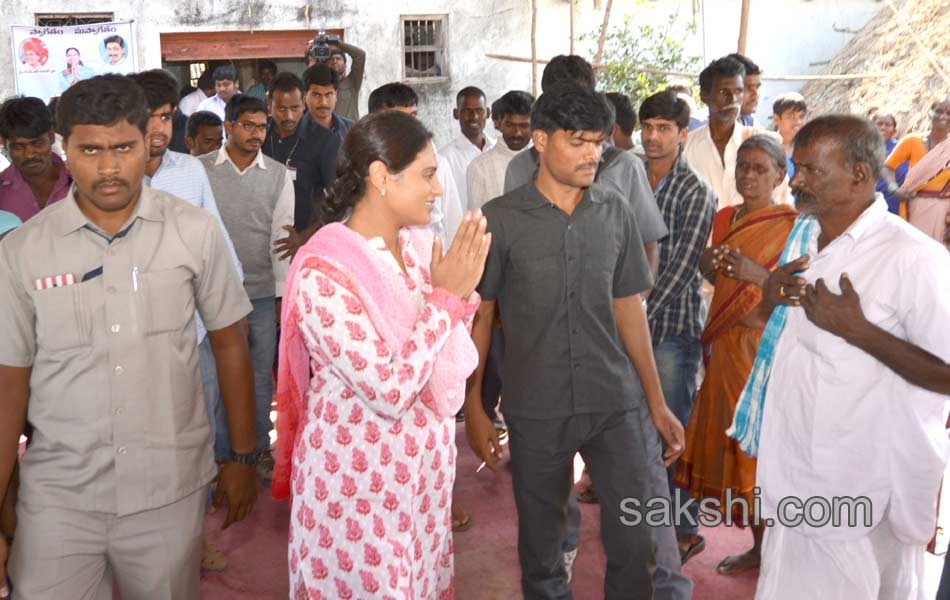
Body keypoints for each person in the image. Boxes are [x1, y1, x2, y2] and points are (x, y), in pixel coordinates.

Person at [0, 74, 258, 600]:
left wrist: (243, 456)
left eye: (123, 147)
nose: (110, 167)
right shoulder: (22, 252)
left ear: (148, 142)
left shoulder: (194, 232)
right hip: (59, 498)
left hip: (169, 491)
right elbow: (9, 385)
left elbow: (232, 341)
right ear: (64, 149)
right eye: (90, 149)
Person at [466, 83, 690, 600]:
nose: (592, 154)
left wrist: (656, 404)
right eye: (578, 141)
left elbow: (628, 306)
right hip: (536, 406)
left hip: (614, 399)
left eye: (597, 142)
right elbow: (482, 315)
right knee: (543, 550)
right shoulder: (499, 220)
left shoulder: (615, 210)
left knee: (638, 539)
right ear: (540, 141)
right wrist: (475, 404)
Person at [272, 108, 487, 599]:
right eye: (427, 175)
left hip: (423, 483)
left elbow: (447, 357)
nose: (438, 189)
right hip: (357, 488)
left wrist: (455, 300)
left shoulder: (416, 249)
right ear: (380, 177)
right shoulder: (324, 271)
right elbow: (390, 390)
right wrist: (446, 301)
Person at [735, 115, 950, 599]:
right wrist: (769, 294)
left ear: (859, 174)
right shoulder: (807, 240)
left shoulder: (913, 259)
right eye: (796, 167)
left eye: (812, 171)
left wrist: (861, 332)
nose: (795, 181)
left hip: (862, 492)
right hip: (798, 476)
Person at [129, 68, 244, 572]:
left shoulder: (190, 172)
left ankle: (191, 541)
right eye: (149, 117)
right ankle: (134, 545)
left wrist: (228, 320)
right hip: (129, 339)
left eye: (165, 116)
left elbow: (218, 246)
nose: (159, 127)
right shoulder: (109, 177)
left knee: (193, 442)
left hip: (193, 333)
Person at [673, 135, 797, 574]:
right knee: (734, 446)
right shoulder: (725, 216)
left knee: (759, 453)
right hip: (724, 345)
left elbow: (797, 291)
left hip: (763, 347)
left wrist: (756, 275)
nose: (748, 175)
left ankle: (773, 552)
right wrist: (709, 263)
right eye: (742, 166)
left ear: (781, 175)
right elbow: (711, 273)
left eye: (760, 168)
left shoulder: (794, 225)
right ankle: (759, 547)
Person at [637, 90, 717, 563]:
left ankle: (684, 530)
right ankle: (647, 524)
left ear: (683, 135)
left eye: (663, 127)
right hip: (630, 327)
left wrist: (628, 321)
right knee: (639, 435)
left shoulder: (695, 191)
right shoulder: (627, 175)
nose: (652, 136)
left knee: (672, 434)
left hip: (670, 330)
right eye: (647, 126)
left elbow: (682, 268)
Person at [198, 95, 295, 480]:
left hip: (259, 292)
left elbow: (282, 234)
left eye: (262, 127)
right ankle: (223, 454)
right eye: (248, 126)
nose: (257, 134)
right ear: (228, 127)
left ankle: (257, 449)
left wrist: (280, 292)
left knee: (258, 376)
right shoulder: (200, 170)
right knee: (216, 375)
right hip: (211, 293)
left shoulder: (277, 174)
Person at [504, 55, 669, 277]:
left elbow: (648, 243)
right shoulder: (520, 167)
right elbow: (511, 247)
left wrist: (637, 302)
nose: (572, 112)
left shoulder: (625, 167)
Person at [369, 82, 465, 248]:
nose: (409, 126)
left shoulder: (439, 164)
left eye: (412, 116)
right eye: (398, 118)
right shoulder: (365, 169)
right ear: (374, 121)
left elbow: (454, 222)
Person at [684, 56, 789, 208]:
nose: (732, 99)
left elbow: (782, 203)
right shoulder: (687, 146)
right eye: (723, 92)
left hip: (756, 231)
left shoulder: (762, 145)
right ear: (704, 96)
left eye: (738, 91)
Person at [265, 72, 340, 235]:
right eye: (282, 109)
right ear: (269, 105)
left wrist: (303, 237)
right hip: (262, 233)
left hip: (305, 237)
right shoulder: (261, 136)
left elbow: (338, 199)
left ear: (304, 103)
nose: (289, 116)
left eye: (295, 108)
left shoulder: (324, 141)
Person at [882, 96, 950, 245]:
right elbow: (887, 167)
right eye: (939, 111)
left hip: (944, 213)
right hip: (914, 207)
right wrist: (894, 189)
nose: (943, 116)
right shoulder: (912, 141)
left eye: (948, 113)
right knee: (913, 256)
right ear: (929, 113)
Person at [0, 97, 72, 222]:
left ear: (51, 136)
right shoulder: (2, 192)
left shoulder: (80, 184)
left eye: (37, 143)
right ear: (4, 144)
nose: (29, 155)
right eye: (18, 147)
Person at [467, 90, 533, 211]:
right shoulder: (480, 167)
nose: (517, 133)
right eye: (510, 125)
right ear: (498, 123)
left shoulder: (545, 162)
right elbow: (476, 218)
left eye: (524, 126)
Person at [439, 87, 496, 213]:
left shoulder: (498, 149)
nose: (474, 117)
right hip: (464, 230)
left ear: (488, 113)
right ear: (456, 113)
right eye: (466, 111)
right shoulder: (444, 158)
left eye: (479, 110)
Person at [300, 63, 353, 143]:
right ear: (304, 97)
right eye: (317, 95)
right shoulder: (294, 132)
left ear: (336, 95)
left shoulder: (350, 129)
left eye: (328, 94)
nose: (323, 102)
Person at [872, 111, 907, 215]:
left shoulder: (903, 148)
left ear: (894, 130)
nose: (883, 127)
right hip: (870, 204)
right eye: (879, 124)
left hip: (896, 203)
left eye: (888, 125)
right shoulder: (861, 149)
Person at [324, 38, 366, 122]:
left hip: (350, 133)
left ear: (345, 65)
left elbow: (360, 55)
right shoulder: (323, 86)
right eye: (331, 60)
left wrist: (338, 43)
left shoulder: (352, 81)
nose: (334, 61)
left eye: (338, 59)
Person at [771, 92, 807, 177]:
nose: (798, 122)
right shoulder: (768, 150)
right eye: (791, 116)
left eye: (801, 116)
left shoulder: (808, 148)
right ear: (776, 119)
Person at [728, 53, 763, 127]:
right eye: (749, 88)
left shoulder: (751, 123)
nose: (755, 95)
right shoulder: (701, 126)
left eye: (757, 87)